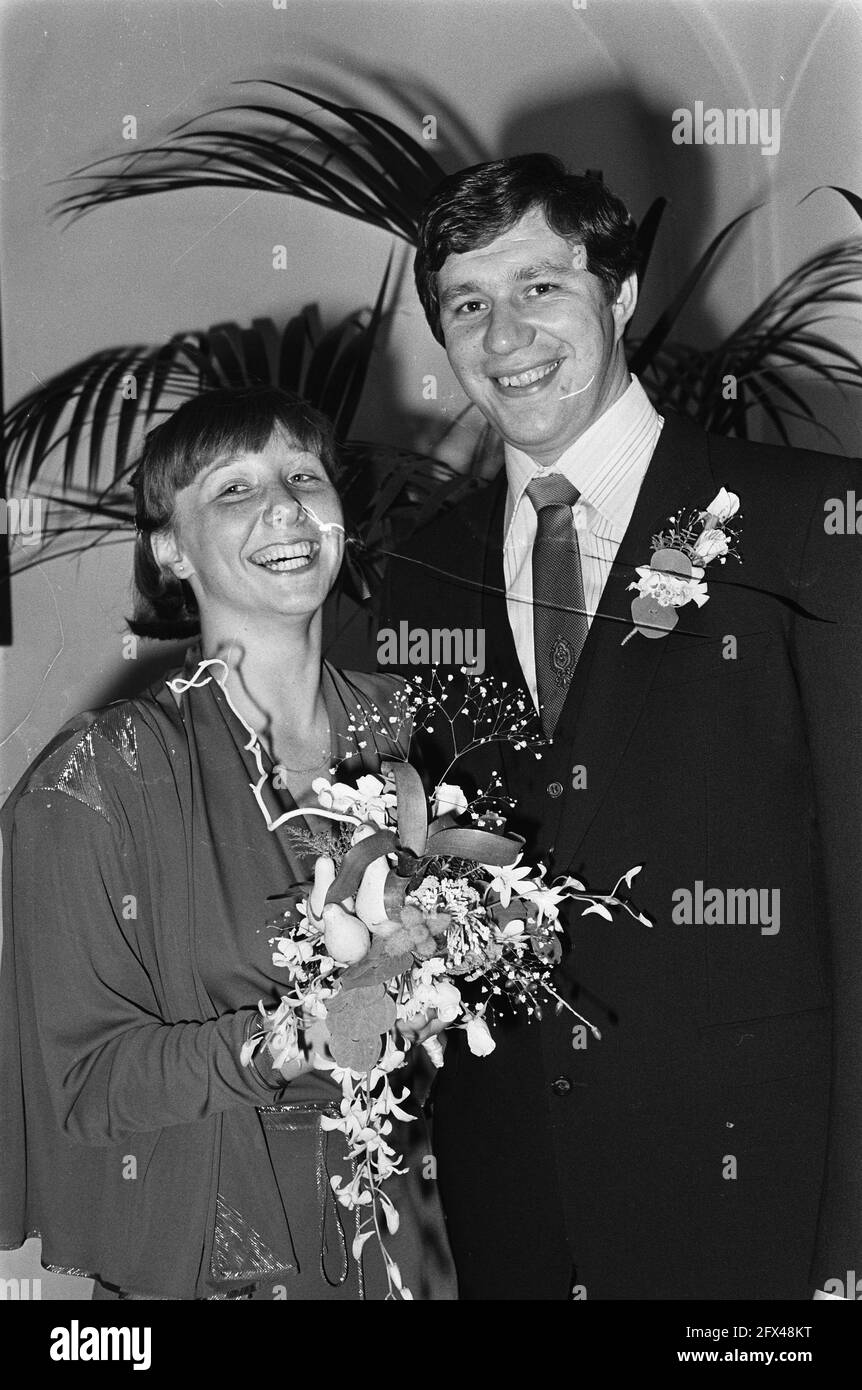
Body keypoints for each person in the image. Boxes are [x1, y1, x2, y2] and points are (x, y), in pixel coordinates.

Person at [380, 154, 862, 1299]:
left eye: (539, 288)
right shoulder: (421, 574)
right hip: (520, 1212)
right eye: (467, 305)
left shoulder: (808, 521)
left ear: (620, 294)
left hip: (763, 1202)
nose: (505, 338)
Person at [0, 385, 455, 1300]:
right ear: (170, 548)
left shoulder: (407, 727)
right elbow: (82, 1081)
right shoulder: (104, 774)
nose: (285, 507)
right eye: (233, 491)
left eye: (302, 477)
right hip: (217, 1254)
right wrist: (299, 1038)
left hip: (410, 1236)